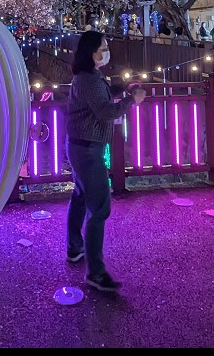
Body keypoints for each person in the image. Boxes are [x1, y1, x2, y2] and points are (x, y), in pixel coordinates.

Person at [64, 30, 146, 292]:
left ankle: (75, 248)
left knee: (79, 196)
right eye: (104, 47)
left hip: (79, 146)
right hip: (88, 150)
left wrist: (122, 88)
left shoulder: (89, 76)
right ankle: (96, 273)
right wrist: (131, 101)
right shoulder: (89, 80)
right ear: (92, 52)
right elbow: (103, 111)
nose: (107, 50)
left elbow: (102, 94)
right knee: (99, 209)